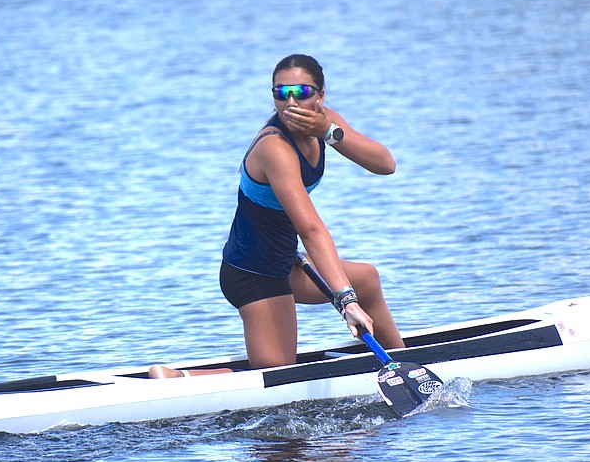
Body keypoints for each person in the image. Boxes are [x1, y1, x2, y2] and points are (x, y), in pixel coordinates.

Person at [149, 54, 403, 379]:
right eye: (281, 93)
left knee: (366, 280)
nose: (291, 102)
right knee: (278, 379)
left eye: (302, 91)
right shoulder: (275, 148)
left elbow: (385, 164)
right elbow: (310, 229)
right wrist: (346, 302)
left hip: (287, 263)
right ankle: (175, 379)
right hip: (254, 273)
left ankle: (406, 363)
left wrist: (329, 132)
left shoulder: (326, 121)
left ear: (321, 96)